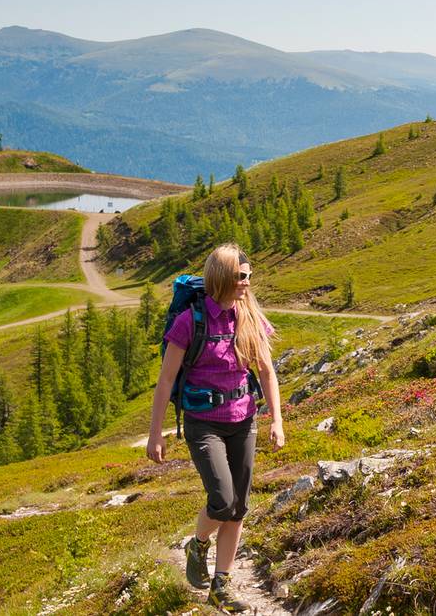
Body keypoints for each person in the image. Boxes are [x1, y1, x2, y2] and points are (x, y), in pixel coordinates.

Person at [146, 243, 286, 613]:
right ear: (223, 277)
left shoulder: (249, 317)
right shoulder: (188, 321)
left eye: (250, 276)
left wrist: (277, 421)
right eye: (242, 276)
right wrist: (155, 433)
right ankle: (198, 544)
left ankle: (221, 585)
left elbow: (267, 372)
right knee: (222, 500)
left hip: (244, 420)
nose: (247, 283)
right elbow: (165, 381)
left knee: (238, 508)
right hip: (202, 423)